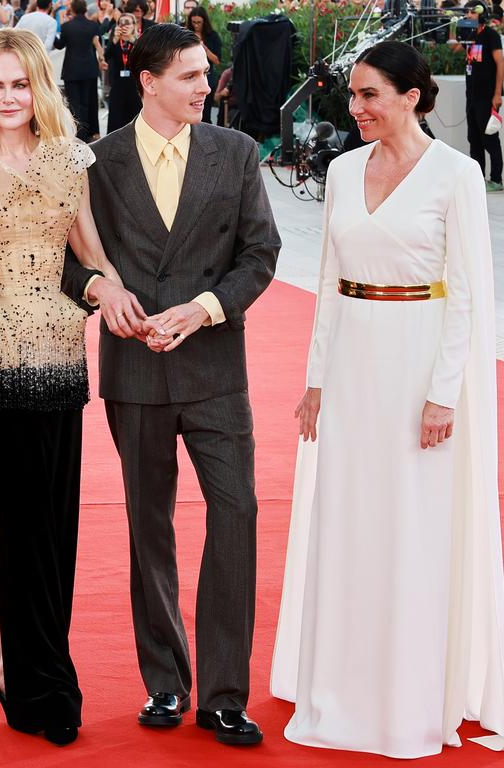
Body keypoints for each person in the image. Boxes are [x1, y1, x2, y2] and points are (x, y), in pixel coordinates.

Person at [271, 40, 504, 759]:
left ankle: (408, 695)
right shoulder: (341, 170)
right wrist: (315, 382)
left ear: (412, 96)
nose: (356, 108)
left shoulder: (455, 175)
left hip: (418, 362)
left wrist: (443, 396)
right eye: (354, 95)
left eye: (370, 95)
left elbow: (467, 293)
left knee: (412, 526)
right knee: (349, 520)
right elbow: (333, 284)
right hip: (352, 368)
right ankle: (342, 686)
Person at [60, 22, 279, 745]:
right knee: (148, 529)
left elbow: (260, 253)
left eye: (205, 74)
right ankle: (165, 683)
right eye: (188, 75)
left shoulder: (237, 152)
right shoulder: (95, 161)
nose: (205, 87)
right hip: (136, 373)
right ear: (147, 81)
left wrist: (208, 307)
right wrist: (101, 291)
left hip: (216, 368)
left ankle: (223, 694)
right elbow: (67, 262)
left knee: (236, 515)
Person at [0, 26, 128, 748]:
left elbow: (94, 256)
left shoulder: (75, 160)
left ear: (39, 87)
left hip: (63, 353)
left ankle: (26, 664)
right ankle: (37, 682)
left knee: (58, 522)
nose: (9, 97)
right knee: (19, 524)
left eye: (21, 84)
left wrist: (121, 296)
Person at [452, 1, 503, 191]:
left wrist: (497, 94)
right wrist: (457, 31)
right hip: (471, 95)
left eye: (471, 12)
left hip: (487, 95)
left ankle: (496, 180)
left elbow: (500, 63)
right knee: (474, 138)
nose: (467, 15)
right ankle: (478, 178)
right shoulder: (469, 36)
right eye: (466, 12)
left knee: (489, 137)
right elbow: (455, 50)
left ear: (481, 15)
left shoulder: (491, 35)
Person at [55, 0, 103, 141]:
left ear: (73, 10)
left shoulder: (67, 27)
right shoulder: (93, 26)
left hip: (72, 69)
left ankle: (79, 134)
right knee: (89, 101)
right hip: (89, 68)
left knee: (74, 103)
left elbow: (59, 45)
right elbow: (97, 44)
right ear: (85, 10)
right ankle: (90, 132)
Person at [102, 11, 139, 132]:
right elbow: (106, 56)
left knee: (134, 113)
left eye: (128, 23)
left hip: (134, 83)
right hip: (118, 81)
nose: (124, 26)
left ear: (134, 25)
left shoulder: (138, 40)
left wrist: (132, 40)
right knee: (116, 116)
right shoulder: (116, 39)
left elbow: (144, 55)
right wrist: (114, 41)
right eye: (121, 23)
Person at [184, 5, 218, 123]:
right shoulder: (185, 34)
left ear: (204, 22)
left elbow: (217, 60)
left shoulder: (212, 36)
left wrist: (204, 48)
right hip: (189, 77)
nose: (196, 25)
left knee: (206, 112)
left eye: (199, 22)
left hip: (207, 77)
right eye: (193, 22)